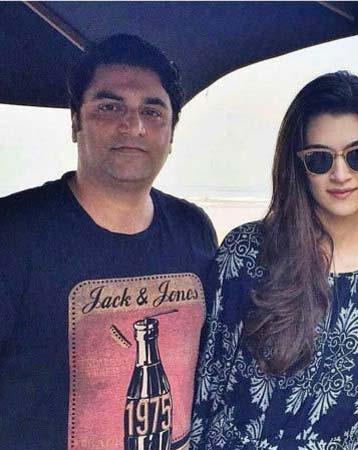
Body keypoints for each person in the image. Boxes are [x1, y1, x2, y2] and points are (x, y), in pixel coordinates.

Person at [190, 71, 358, 449]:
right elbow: (206, 387)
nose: (341, 174)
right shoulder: (247, 251)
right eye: (320, 159)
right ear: (298, 165)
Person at [0, 35, 217, 450]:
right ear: (75, 123)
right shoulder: (13, 233)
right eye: (109, 107)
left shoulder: (194, 230)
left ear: (171, 132)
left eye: (152, 111)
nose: (133, 126)